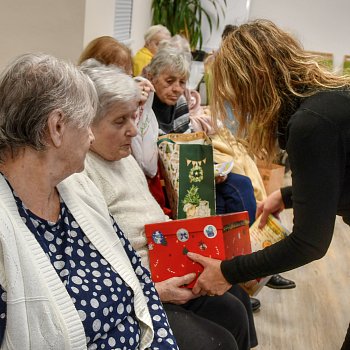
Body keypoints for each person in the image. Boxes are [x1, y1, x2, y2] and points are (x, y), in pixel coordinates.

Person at [185, 19, 350, 349]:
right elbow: (338, 175)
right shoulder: (328, 99)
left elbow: (309, 243)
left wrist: (228, 271)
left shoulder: (309, 124)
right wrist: (287, 196)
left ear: (255, 81)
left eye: (236, 93)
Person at [0, 52, 178, 349]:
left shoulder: (78, 187)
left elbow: (139, 282)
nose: (91, 138)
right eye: (85, 123)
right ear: (56, 128)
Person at [80, 58, 254, 350]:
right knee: (217, 342)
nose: (134, 131)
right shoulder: (83, 171)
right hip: (143, 286)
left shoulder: (122, 156)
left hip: (169, 265)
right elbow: (98, 265)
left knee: (237, 303)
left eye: (134, 117)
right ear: (87, 124)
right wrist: (154, 290)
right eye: (120, 121)